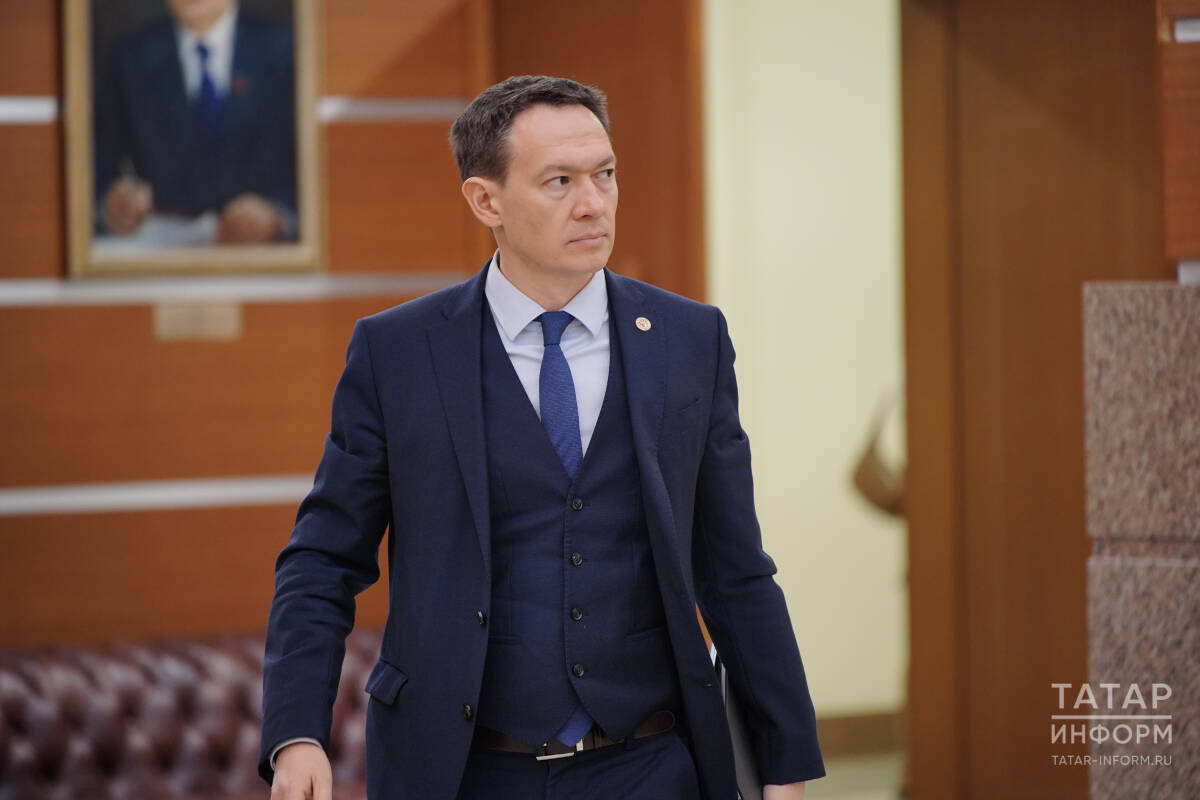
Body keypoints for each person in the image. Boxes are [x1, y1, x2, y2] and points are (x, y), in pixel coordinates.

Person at [259, 75, 824, 800]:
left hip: (651, 764)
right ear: (485, 201)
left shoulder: (690, 340)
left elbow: (735, 566)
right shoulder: (398, 352)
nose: (593, 202)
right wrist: (296, 732)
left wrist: (784, 761)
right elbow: (323, 560)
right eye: (559, 181)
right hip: (463, 771)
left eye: (605, 174)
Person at [94, 0, 296, 243]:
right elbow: (97, 166)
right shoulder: (131, 56)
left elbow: (314, 169)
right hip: (159, 246)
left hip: (266, 252)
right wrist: (113, 204)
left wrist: (278, 214)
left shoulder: (285, 49)